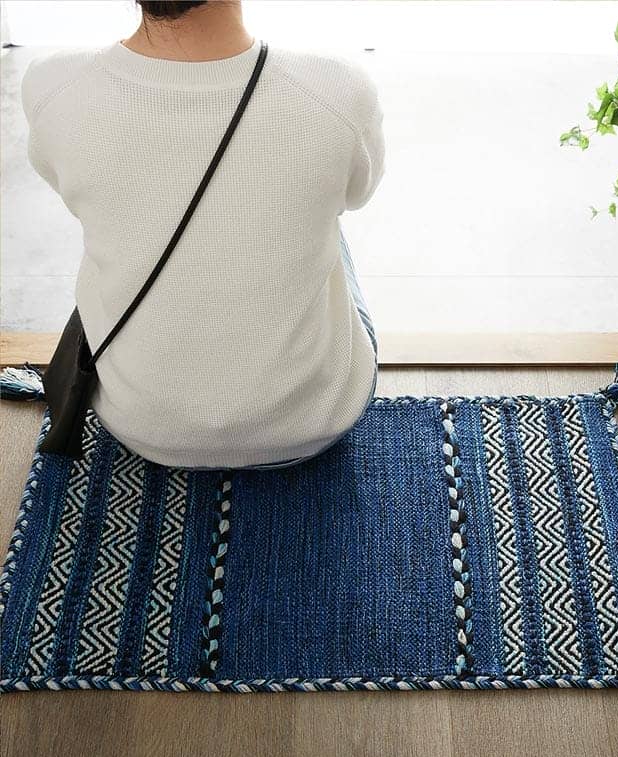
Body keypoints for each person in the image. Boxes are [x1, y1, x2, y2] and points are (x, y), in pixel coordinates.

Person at [19, 0, 385, 470]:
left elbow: (59, 181)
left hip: (140, 423)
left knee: (116, 218)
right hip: (316, 416)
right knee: (328, 220)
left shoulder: (53, 85)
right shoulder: (338, 89)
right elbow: (359, 193)